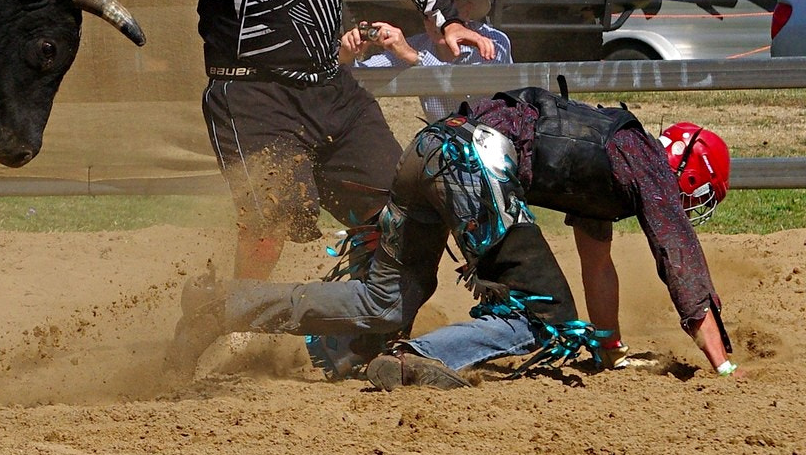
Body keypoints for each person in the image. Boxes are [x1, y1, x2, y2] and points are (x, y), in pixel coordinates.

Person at [165, 86, 735, 388]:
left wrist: (608, 351)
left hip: (432, 148)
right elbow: (677, 254)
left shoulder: (608, 165)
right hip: (470, 162)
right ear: (687, 172)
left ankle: (224, 305)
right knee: (542, 315)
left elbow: (598, 268)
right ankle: (417, 358)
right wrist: (723, 363)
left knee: (385, 301)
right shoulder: (644, 160)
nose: (688, 203)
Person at [137, 0, 497, 279]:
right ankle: (239, 324)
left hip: (331, 91)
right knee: (271, 218)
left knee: (396, 204)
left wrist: (447, 18)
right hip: (250, 96)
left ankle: (369, 312)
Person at [344, 0, 513, 122]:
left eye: (443, 15)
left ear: (466, 12)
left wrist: (416, 58)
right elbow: (362, 77)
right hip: (443, 143)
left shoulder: (495, 41)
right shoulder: (417, 44)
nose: (434, 23)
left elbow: (473, 94)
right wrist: (349, 54)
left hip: (491, 140)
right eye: (427, 16)